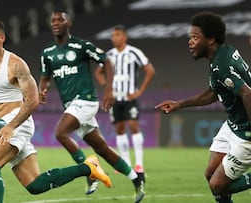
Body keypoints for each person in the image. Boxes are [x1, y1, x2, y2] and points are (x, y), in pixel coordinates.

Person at [0, 18, 112, 203]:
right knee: (35, 185)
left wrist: (11, 126)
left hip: (18, 121)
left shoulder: (16, 65)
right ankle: (89, 168)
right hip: (2, 123)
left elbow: (33, 101)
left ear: (2, 38)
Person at [38, 11, 145, 202]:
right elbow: (45, 78)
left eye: (60, 19)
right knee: (101, 147)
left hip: (86, 100)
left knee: (61, 132)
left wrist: (109, 90)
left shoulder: (81, 46)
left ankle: (89, 171)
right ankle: (136, 179)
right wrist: (42, 90)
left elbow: (107, 62)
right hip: (72, 105)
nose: (55, 23)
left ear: (68, 22)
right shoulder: (47, 53)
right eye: (53, 20)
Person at [155, 11, 251, 203]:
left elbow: (248, 93)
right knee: (210, 174)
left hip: (245, 133)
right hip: (232, 125)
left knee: (217, 185)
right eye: (190, 37)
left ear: (210, 39)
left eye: (195, 37)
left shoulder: (221, 65)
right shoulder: (224, 53)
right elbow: (213, 93)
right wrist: (179, 104)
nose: (190, 42)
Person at [94, 25, 155, 179]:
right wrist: (107, 87)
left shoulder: (134, 52)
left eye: (118, 35)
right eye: (113, 35)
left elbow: (150, 70)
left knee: (134, 126)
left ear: (125, 37)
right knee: (119, 129)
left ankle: (139, 163)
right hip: (115, 99)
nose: (115, 38)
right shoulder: (109, 55)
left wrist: (139, 91)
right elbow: (98, 72)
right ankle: (126, 163)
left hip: (129, 98)